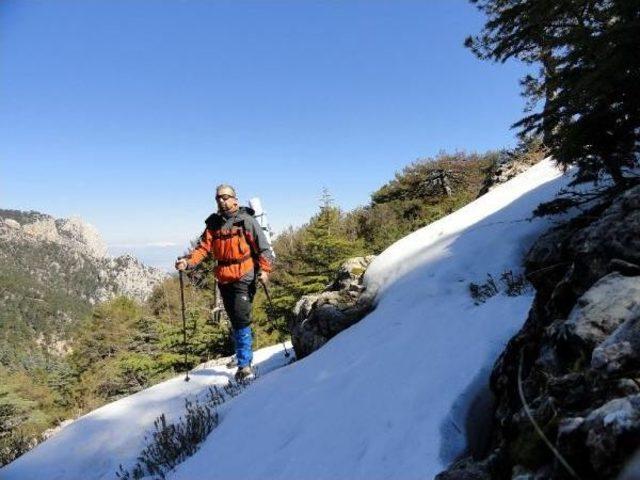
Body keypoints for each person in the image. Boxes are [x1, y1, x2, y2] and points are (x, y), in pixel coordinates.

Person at [175, 184, 274, 381]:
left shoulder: (246, 221)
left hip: (244, 275)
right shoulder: (213, 224)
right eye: (218, 198)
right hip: (223, 277)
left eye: (226, 197)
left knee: (241, 317)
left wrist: (265, 271)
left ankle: (245, 365)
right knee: (233, 317)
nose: (222, 200)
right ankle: (240, 355)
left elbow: (263, 249)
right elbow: (203, 248)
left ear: (235, 199)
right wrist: (187, 262)